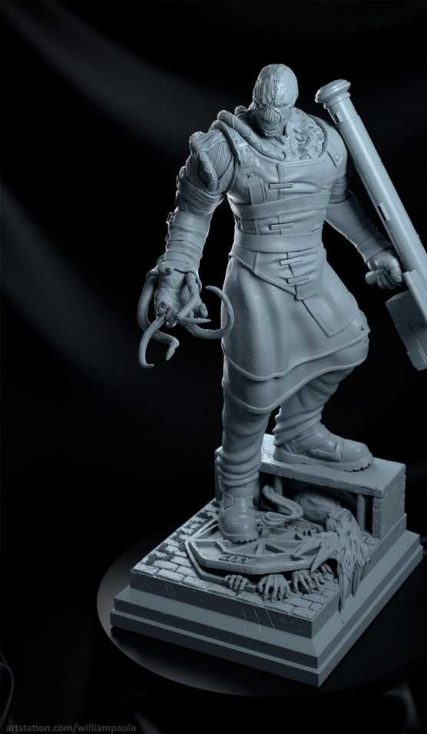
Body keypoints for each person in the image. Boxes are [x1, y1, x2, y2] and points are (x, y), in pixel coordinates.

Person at [149, 64, 402, 543]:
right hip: (255, 276)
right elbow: (192, 215)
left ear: (292, 104)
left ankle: (299, 432)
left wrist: (374, 250)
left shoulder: (324, 140)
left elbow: (337, 201)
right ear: (255, 100)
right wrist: (177, 272)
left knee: (350, 345)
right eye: (264, 108)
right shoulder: (222, 147)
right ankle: (237, 490)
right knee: (253, 392)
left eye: (279, 110)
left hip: (311, 267)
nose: (271, 118)